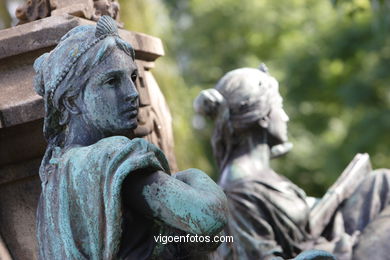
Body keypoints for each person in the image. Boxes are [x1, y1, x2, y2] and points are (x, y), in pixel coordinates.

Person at [34, 16, 227, 260]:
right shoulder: (113, 160)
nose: (132, 93)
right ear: (71, 101)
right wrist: (192, 176)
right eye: (112, 81)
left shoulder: (55, 173)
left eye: (133, 78)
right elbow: (209, 217)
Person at [194, 66, 390, 260]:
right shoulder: (238, 189)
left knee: (381, 181)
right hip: (327, 255)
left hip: (326, 242)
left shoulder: (259, 175)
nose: (286, 117)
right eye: (279, 106)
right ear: (263, 117)